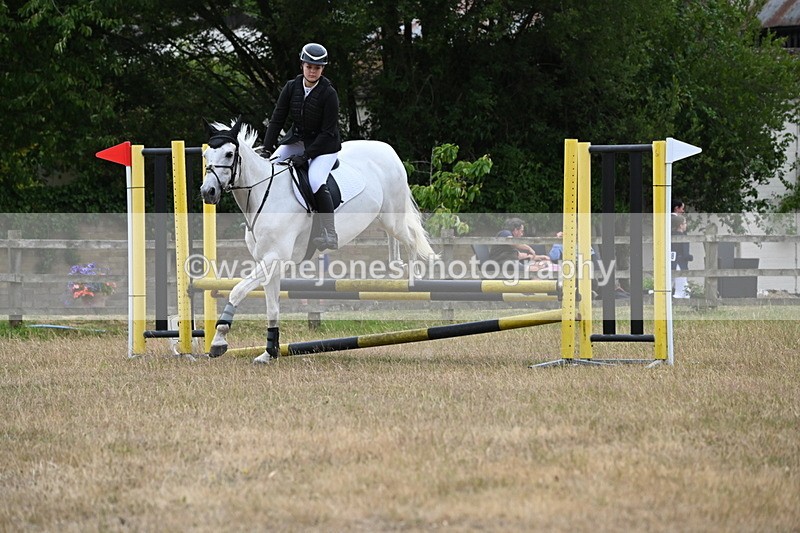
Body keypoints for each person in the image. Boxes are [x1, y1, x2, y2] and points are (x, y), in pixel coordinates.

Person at [263, 43, 341, 251]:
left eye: (317, 68)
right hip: (297, 141)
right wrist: (267, 148)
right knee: (270, 168)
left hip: (325, 147)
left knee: (315, 180)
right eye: (309, 67)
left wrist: (306, 156)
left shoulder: (329, 93)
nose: (312, 71)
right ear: (302, 66)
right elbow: (277, 119)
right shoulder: (291, 87)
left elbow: (327, 132)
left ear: (322, 69)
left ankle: (330, 233)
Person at [671, 214, 692, 298]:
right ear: (680, 225)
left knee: (669, 283)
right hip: (680, 263)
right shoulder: (683, 237)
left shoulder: (670, 235)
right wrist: (690, 257)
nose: (686, 225)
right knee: (681, 288)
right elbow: (686, 254)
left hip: (670, 263)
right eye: (685, 223)